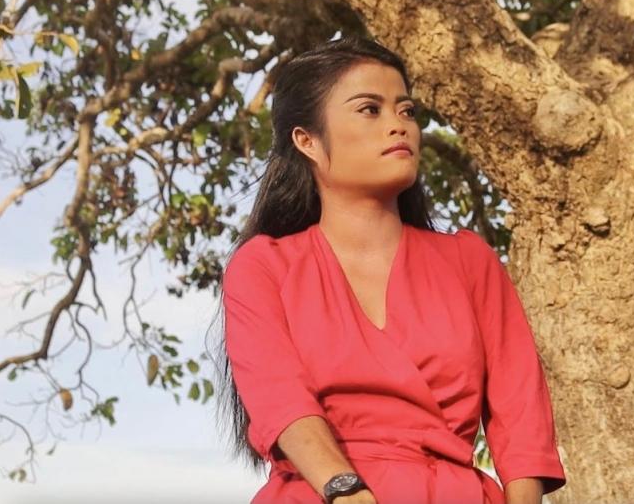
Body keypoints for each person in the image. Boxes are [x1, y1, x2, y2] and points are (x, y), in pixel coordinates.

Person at [216, 35, 566, 504]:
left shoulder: (470, 261)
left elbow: (521, 415)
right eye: (370, 109)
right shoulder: (263, 266)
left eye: (407, 111)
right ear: (307, 141)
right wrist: (344, 489)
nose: (399, 125)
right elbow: (280, 400)